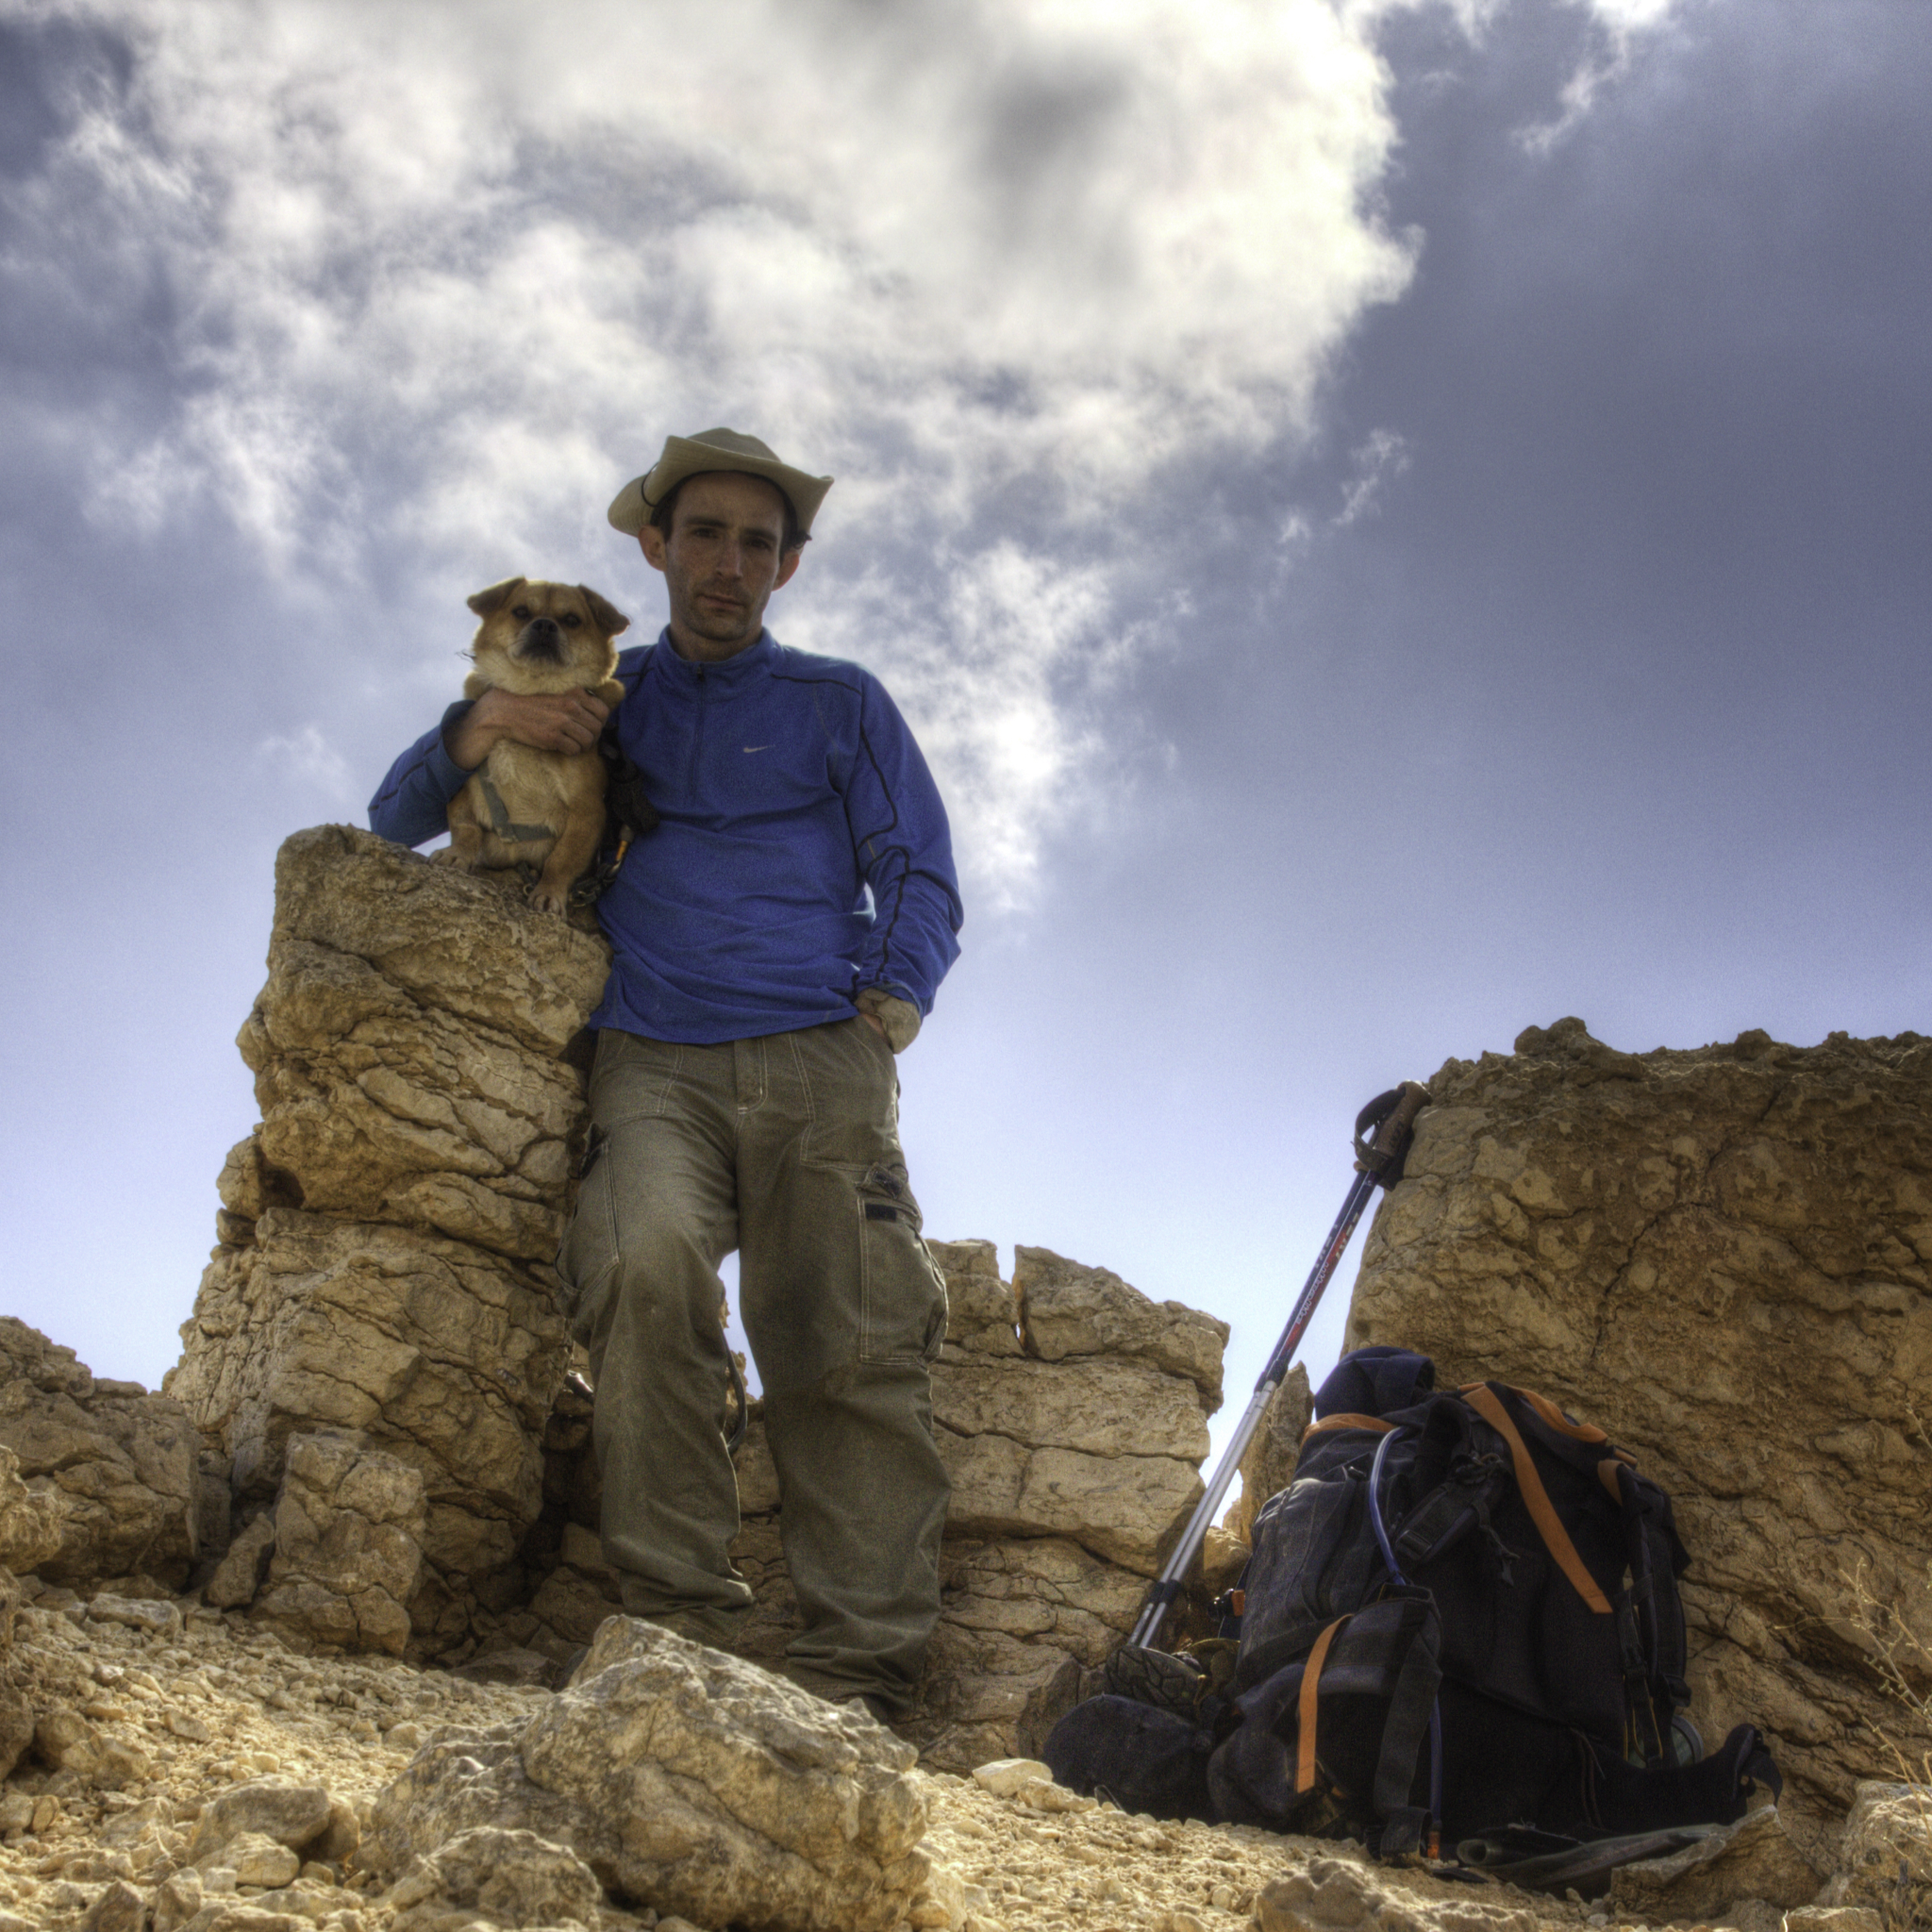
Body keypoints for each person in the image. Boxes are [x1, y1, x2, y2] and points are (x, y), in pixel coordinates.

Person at [368, 427, 964, 1717]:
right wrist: (487, 722)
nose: (729, 562)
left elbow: (917, 859)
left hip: (819, 1054)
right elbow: (393, 815)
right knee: (641, 1275)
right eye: (706, 533)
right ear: (655, 546)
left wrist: (896, 993)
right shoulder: (602, 687)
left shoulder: (839, 702)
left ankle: (860, 1673)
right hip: (649, 1053)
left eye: (759, 541)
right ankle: (680, 1635)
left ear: (787, 566)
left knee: (845, 1336)